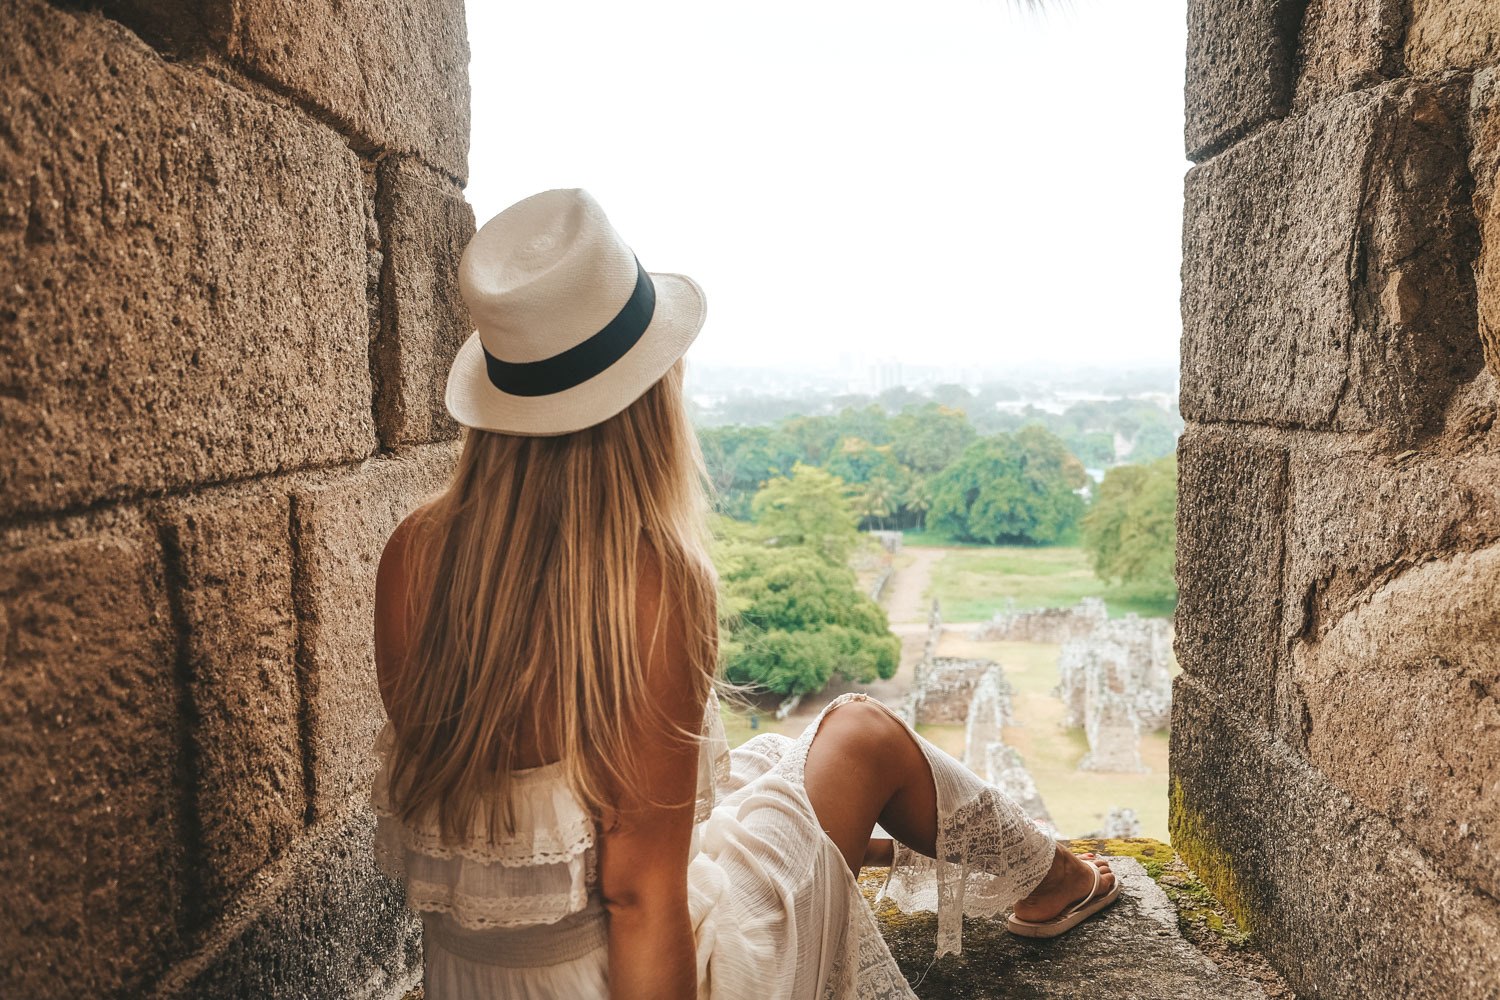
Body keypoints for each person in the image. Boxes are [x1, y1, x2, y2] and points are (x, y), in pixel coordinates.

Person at [370, 189, 1119, 1000]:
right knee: (860, 732)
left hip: (474, 977)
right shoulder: (651, 582)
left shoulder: (412, 551)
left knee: (762, 763)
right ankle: (1053, 878)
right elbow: (637, 897)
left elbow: (515, 832)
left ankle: (1015, 864)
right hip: (632, 976)